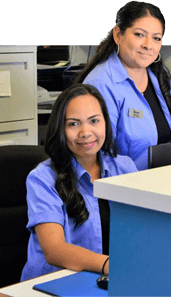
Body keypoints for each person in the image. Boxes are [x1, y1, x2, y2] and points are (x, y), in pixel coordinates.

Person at [73, 1, 171, 171]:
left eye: (156, 38)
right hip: (126, 186)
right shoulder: (101, 84)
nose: (148, 45)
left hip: (164, 176)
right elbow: (100, 155)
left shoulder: (157, 73)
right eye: (139, 34)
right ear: (118, 35)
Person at [21, 84, 137, 281]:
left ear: (105, 123)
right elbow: (54, 250)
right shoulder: (42, 178)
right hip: (55, 283)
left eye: (94, 121)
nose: (85, 132)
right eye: (73, 124)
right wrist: (110, 265)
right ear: (60, 128)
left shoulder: (124, 168)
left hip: (110, 279)